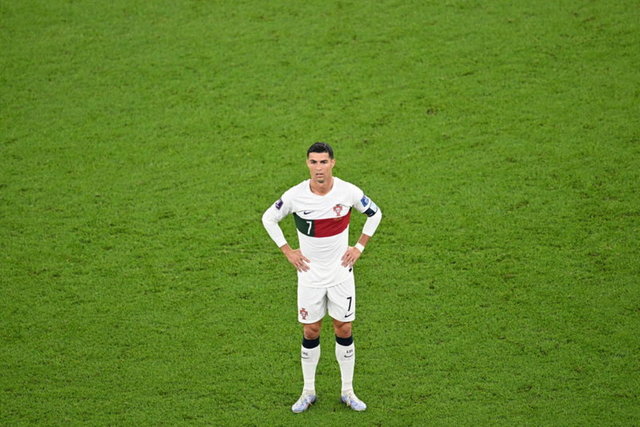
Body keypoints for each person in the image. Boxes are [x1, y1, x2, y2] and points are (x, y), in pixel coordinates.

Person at [261, 142, 382, 413]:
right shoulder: (295, 196)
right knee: (311, 330)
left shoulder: (347, 191)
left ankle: (348, 391)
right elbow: (268, 218)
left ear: (332, 163)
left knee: (344, 328)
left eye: (323, 162)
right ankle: (308, 392)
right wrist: (287, 251)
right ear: (307, 164)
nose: (319, 168)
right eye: (314, 162)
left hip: (340, 274)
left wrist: (359, 247)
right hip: (310, 276)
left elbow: (375, 214)